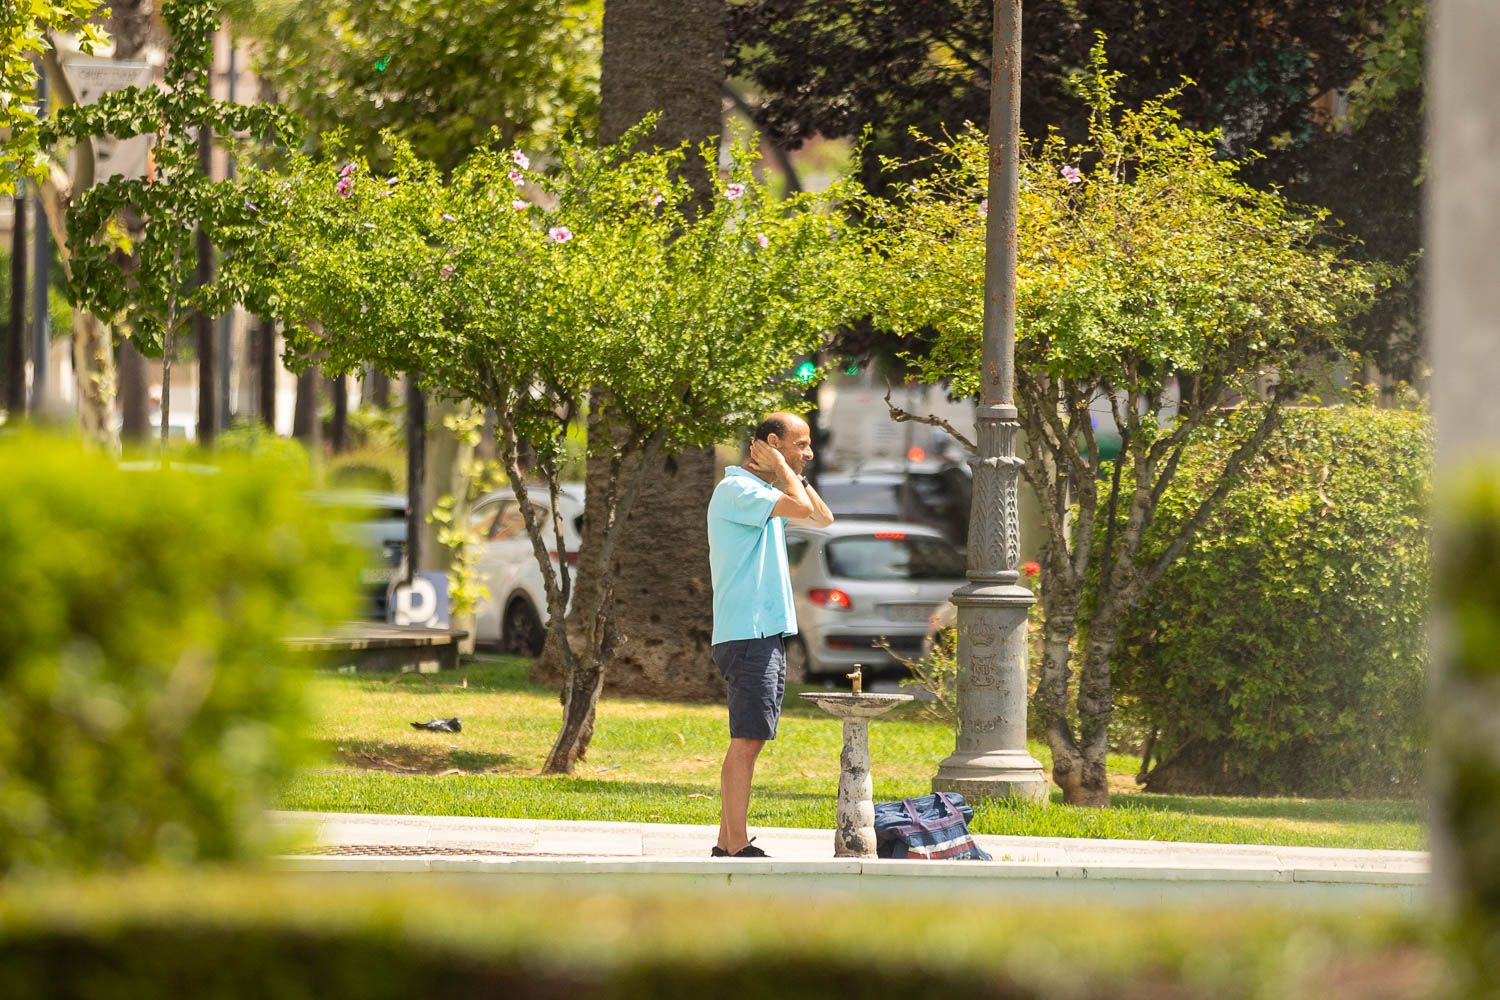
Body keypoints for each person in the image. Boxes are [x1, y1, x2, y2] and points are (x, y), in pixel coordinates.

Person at [706, 412, 834, 858]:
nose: (809, 453)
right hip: (747, 632)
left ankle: (727, 841)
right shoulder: (737, 490)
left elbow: (822, 517)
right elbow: (800, 509)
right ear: (773, 442)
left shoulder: (762, 493)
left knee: (751, 737)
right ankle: (736, 844)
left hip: (762, 633)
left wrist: (788, 470)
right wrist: (784, 469)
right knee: (747, 738)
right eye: (801, 444)